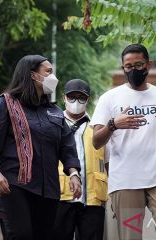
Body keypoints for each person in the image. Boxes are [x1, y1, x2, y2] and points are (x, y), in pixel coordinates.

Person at [90, 44, 156, 240]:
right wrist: (113, 124)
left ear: (149, 64)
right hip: (125, 179)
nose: (133, 70)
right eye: (128, 66)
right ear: (123, 67)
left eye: (139, 65)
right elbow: (96, 142)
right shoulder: (109, 98)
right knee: (131, 237)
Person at [0, 55, 82, 240]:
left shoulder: (54, 111)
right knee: (21, 235)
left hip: (49, 189)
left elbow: (67, 147)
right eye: (48, 72)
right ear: (33, 75)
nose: (53, 77)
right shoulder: (5, 103)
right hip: (15, 184)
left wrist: (74, 174)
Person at [53, 79, 107, 240]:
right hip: (60, 197)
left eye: (81, 97)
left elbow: (109, 162)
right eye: (72, 97)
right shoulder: (53, 125)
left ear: (88, 99)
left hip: (93, 199)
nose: (76, 101)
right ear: (64, 98)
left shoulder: (98, 128)